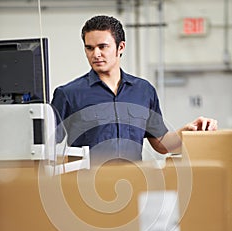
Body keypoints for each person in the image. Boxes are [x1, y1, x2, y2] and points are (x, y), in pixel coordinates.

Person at [51, 15, 217, 163]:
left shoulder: (143, 91)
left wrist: (189, 132)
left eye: (103, 46)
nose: (96, 54)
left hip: (133, 184)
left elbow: (162, 144)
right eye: (89, 48)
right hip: (85, 188)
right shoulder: (68, 94)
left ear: (120, 47)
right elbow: (45, 146)